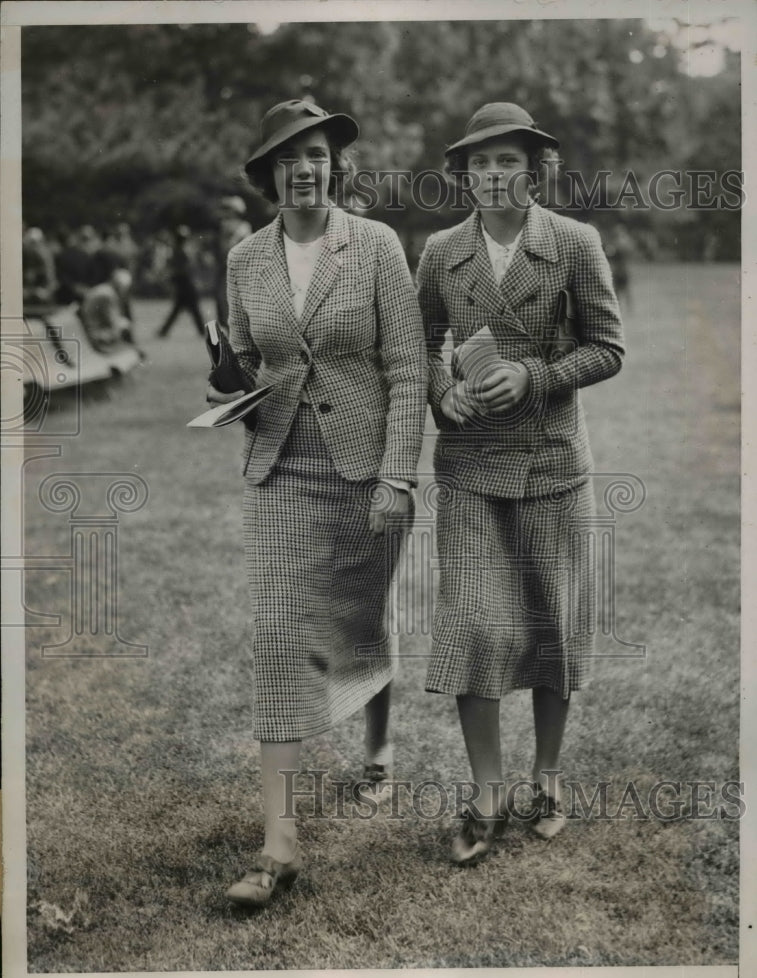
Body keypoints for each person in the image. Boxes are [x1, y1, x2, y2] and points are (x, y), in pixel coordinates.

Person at [206, 99, 427, 906]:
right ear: (266, 172)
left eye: (318, 153)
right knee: (278, 637)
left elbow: (407, 370)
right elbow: (241, 355)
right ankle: (279, 843)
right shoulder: (243, 260)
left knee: (360, 622)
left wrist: (397, 477)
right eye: (289, 155)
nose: (305, 166)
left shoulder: (373, 247)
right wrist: (227, 382)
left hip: (364, 468)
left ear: (336, 165)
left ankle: (379, 747)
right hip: (278, 469)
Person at [416, 102, 624, 863]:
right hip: (469, 467)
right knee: (475, 624)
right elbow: (421, 344)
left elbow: (607, 347)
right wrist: (444, 391)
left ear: (533, 170)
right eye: (480, 164)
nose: (493, 175)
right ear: (463, 175)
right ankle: (485, 793)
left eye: (508, 162)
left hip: (552, 467)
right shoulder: (440, 251)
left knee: (550, 628)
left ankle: (546, 778)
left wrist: (533, 376)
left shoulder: (573, 243)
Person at [80, 266, 143, 357]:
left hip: (90, 329)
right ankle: (127, 350)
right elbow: (112, 319)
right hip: (95, 333)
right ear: (120, 286)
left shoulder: (104, 289)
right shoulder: (108, 295)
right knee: (125, 324)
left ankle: (129, 349)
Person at [154, 225, 205, 338]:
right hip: (185, 281)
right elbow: (187, 267)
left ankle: (164, 331)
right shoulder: (181, 250)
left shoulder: (177, 249)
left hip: (181, 281)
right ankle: (202, 331)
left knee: (179, 309)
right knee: (194, 308)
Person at [213, 195, 252, 326]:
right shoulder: (225, 226)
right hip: (225, 269)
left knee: (231, 308)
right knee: (223, 307)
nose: (225, 213)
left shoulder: (243, 228)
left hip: (236, 271)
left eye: (228, 209)